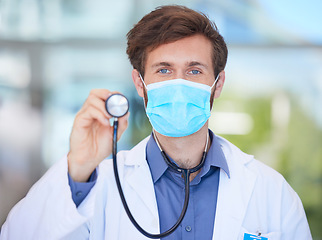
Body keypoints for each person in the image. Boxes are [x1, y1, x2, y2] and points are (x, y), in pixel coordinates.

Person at [1, 5, 312, 240]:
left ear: (217, 84)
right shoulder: (101, 184)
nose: (178, 83)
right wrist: (78, 166)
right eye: (163, 70)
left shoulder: (272, 193)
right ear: (140, 84)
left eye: (194, 71)